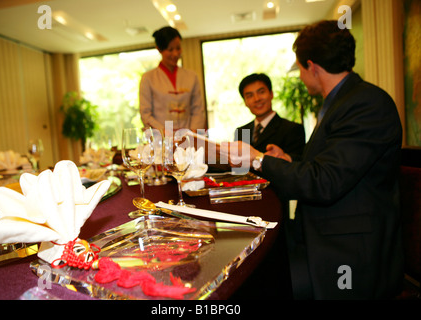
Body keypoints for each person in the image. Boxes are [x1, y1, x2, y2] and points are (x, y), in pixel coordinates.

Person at [223, 20, 404, 299]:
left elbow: (325, 182)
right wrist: (286, 159)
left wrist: (259, 159)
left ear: (312, 67)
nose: (299, 76)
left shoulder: (365, 104)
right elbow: (327, 167)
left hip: (350, 252)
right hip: (322, 233)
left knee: (253, 281)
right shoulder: (342, 102)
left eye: (299, 69)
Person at [139, 26, 206, 133]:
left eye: (178, 48)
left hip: (188, 138)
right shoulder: (148, 78)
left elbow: (197, 110)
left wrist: (192, 133)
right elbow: (146, 114)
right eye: (170, 50)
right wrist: (165, 132)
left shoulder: (191, 76)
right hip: (161, 140)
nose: (175, 54)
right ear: (159, 49)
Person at [235, 73, 305, 161]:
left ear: (271, 94)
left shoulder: (292, 129)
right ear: (245, 102)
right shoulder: (241, 132)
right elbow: (238, 168)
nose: (257, 99)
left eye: (261, 92)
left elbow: (297, 166)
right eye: (250, 96)